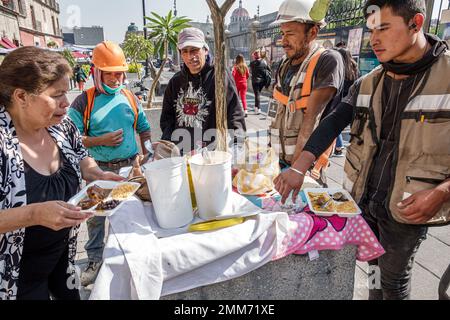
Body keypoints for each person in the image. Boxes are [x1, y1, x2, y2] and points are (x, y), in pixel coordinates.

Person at [274, 0, 450, 300]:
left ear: (416, 23)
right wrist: (298, 168)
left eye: (383, 28)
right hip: (364, 202)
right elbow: (330, 124)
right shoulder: (369, 82)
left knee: (394, 282)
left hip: (408, 209)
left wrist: (442, 192)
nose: (375, 40)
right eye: (371, 30)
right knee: (373, 273)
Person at [0, 47, 123, 300]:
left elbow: (80, 157)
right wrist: (33, 214)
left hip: (63, 257)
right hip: (14, 274)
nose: (66, 103)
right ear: (21, 96)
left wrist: (96, 173)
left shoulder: (62, 125)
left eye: (66, 93)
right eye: (57, 95)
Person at [68, 40, 152, 287]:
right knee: (95, 219)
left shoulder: (129, 97)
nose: (116, 79)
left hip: (129, 169)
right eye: (110, 73)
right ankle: (95, 261)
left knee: (131, 215)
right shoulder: (84, 101)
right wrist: (99, 140)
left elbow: (145, 130)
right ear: (97, 72)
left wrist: (146, 153)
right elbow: (70, 139)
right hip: (98, 171)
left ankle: (128, 260)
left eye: (119, 73)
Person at [268, 0, 344, 185]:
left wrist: (296, 171)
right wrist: (268, 159)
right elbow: (278, 113)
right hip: (279, 163)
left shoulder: (327, 61)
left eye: (291, 34)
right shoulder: (285, 65)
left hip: (305, 171)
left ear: (312, 32)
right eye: (283, 34)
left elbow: (311, 119)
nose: (283, 41)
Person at [160, 27, 246, 153]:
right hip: (183, 154)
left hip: (212, 155)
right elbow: (167, 119)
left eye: (194, 50)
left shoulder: (220, 76)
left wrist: (237, 147)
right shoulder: (175, 82)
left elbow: (235, 113)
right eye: (185, 51)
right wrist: (170, 146)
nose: (190, 57)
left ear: (205, 50)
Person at [327, 48, 359, 157]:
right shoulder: (354, 67)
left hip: (340, 100)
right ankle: (340, 147)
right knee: (341, 126)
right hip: (351, 99)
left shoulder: (340, 68)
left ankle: (338, 147)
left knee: (336, 124)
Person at [249, 49, 271, 114]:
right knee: (258, 94)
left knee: (257, 94)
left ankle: (258, 108)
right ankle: (256, 106)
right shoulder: (264, 62)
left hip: (255, 81)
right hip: (262, 81)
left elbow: (251, 71)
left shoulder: (252, 63)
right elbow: (269, 70)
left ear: (255, 56)